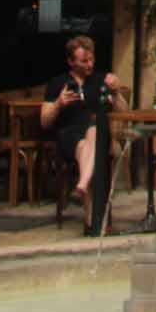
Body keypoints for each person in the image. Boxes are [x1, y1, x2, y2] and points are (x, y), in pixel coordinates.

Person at [40, 33, 125, 223]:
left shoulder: (101, 80)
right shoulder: (58, 83)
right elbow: (44, 121)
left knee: (94, 133)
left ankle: (82, 187)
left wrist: (116, 91)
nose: (89, 65)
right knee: (90, 147)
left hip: (98, 135)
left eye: (91, 59)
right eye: (84, 61)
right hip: (69, 136)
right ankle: (93, 218)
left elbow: (124, 112)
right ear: (70, 61)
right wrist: (58, 104)